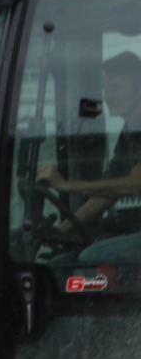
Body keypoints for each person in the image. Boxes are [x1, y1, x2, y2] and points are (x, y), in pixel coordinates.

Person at [37, 50, 141, 262]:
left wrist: (66, 186)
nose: (108, 96)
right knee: (58, 263)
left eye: (116, 87)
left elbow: (134, 184)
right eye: (105, 88)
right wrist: (60, 231)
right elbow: (107, 193)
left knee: (90, 258)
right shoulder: (128, 133)